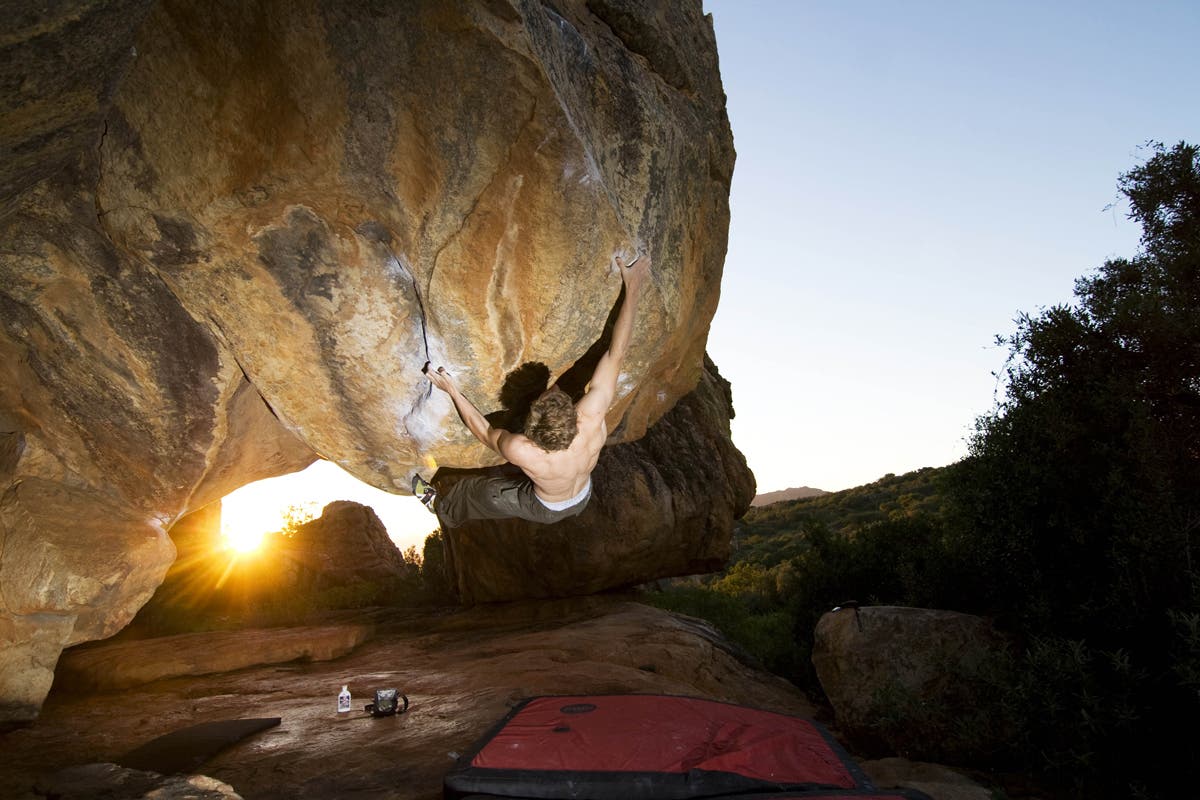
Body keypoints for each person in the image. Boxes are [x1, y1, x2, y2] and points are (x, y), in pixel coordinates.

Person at [412, 251, 651, 529]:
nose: (549, 390)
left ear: (530, 436)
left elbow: (484, 431)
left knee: (481, 494)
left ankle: (440, 506)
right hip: (583, 495)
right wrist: (633, 287)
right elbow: (616, 353)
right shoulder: (592, 415)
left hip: (544, 507)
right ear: (574, 414)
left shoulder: (520, 449)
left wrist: (452, 391)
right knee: (589, 373)